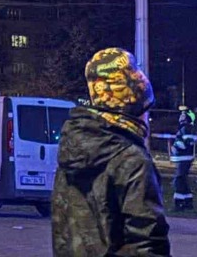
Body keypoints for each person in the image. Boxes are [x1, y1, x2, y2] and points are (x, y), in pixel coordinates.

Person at [52, 47, 170, 256]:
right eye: (145, 109)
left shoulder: (73, 149)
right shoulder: (131, 159)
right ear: (133, 106)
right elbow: (147, 242)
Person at [170, 108, 196, 210]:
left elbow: (187, 144)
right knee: (183, 181)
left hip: (184, 159)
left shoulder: (186, 128)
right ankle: (188, 203)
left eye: (183, 115)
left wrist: (176, 145)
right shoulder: (185, 128)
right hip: (183, 159)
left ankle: (179, 204)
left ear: (187, 118)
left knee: (179, 181)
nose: (180, 117)